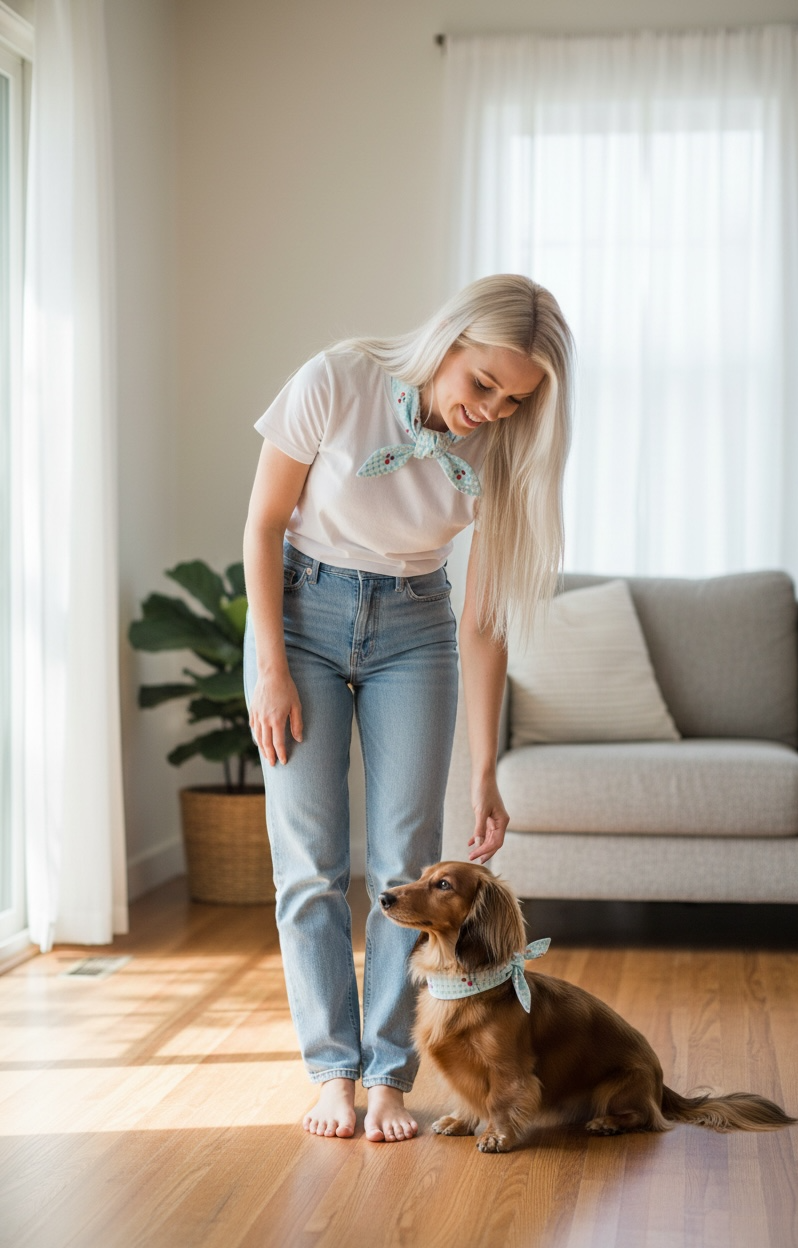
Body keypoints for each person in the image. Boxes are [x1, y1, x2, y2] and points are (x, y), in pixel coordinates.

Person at [243, 273, 573, 1143]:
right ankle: (332, 1074)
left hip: (415, 626)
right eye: (483, 385)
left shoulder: (505, 449)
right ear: (449, 342)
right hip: (302, 612)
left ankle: (388, 1075)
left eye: (515, 398)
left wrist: (488, 771)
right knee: (310, 863)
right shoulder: (338, 379)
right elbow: (264, 522)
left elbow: (483, 624)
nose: (493, 409)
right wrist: (269, 667)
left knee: (407, 862)